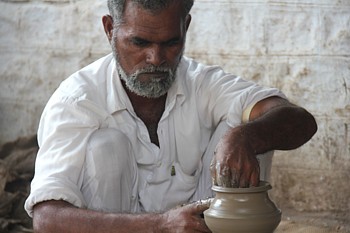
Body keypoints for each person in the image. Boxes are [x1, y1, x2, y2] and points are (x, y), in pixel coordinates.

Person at [24, 0, 317, 232]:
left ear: (185, 28)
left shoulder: (202, 83)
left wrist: (246, 137)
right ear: (110, 29)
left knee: (249, 127)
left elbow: (299, 119)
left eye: (170, 43)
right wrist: (160, 226)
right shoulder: (76, 100)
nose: (156, 59)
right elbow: (47, 218)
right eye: (139, 43)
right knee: (106, 146)